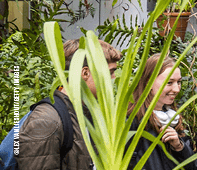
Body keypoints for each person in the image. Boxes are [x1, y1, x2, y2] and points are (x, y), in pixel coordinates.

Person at [18, 38, 122, 170]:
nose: (114, 79)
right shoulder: (46, 120)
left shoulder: (89, 114)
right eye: (111, 72)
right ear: (85, 73)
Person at [128, 54, 195, 170]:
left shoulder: (173, 118)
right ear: (149, 83)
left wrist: (179, 146)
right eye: (169, 83)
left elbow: (192, 166)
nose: (176, 89)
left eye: (179, 82)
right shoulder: (132, 121)